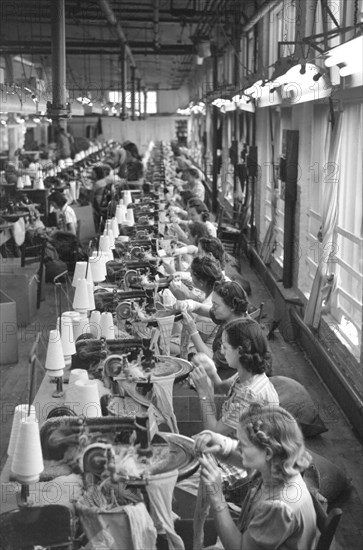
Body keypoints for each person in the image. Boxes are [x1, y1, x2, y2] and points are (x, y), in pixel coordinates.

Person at [194, 404, 318, 550]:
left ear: (268, 453)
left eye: (243, 444)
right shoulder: (277, 465)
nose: (238, 447)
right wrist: (217, 441)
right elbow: (245, 455)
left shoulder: (279, 507)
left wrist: (217, 497)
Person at [190, 318, 278, 435]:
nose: (222, 352)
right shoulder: (247, 374)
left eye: (225, 347)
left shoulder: (249, 395)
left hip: (250, 449)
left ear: (240, 350)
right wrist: (211, 371)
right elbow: (221, 388)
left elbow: (214, 431)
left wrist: (203, 394)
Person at [180, 280, 249, 370]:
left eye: (216, 305)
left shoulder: (237, 334)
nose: (213, 308)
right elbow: (199, 307)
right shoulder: (231, 315)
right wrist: (188, 304)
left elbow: (212, 361)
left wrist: (193, 331)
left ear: (232, 307)